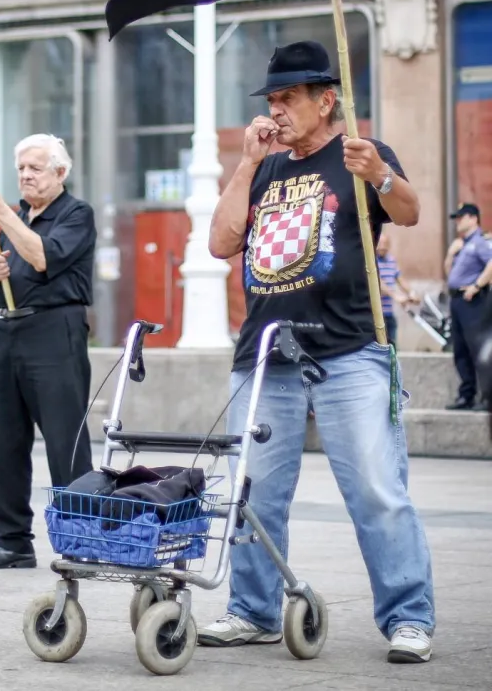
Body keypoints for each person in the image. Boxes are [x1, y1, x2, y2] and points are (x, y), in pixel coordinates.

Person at [198, 41, 434, 665]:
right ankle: (252, 611)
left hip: (349, 351)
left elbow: (409, 214)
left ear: (326, 100)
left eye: (289, 99)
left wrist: (379, 174)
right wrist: (247, 164)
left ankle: (409, 617)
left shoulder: (359, 152)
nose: (277, 111)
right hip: (265, 353)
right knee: (251, 493)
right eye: (272, 100)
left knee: (378, 490)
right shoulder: (268, 167)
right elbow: (222, 242)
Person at [0, 133, 96, 571]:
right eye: (21, 168)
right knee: (2, 439)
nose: (25, 176)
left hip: (53, 331)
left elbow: (42, 257)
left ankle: (81, 537)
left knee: (65, 440)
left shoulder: (76, 214)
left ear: (60, 173)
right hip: (6, 332)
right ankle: (12, 539)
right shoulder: (16, 217)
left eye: (35, 168)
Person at [444, 202, 492, 411]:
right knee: (461, 350)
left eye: (461, 217)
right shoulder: (463, 244)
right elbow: (450, 274)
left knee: (477, 350)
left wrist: (476, 285)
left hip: (472, 301)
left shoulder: (479, 242)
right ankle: (467, 395)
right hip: (457, 301)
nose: (457, 221)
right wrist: (450, 254)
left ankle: (487, 397)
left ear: (473, 218)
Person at [376, 229, 418, 349]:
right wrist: (396, 296)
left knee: (393, 347)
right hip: (375, 315)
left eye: (385, 245)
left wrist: (411, 293)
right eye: (380, 244)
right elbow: (378, 282)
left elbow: (399, 279)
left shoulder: (391, 260)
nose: (382, 248)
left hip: (388, 313)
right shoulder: (371, 259)